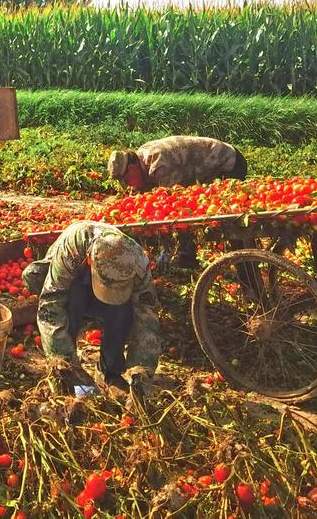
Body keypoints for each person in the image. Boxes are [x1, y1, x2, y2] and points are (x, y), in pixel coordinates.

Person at [22, 220, 159, 392]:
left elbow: (147, 317)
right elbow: (52, 305)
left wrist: (142, 370)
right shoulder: (71, 249)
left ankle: (110, 372)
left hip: (103, 297)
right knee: (73, 297)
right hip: (75, 283)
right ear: (90, 261)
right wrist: (62, 361)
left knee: (124, 309)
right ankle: (68, 369)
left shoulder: (138, 264)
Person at [107, 135, 246, 190]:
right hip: (209, 170)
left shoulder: (159, 163)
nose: (129, 184)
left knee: (230, 215)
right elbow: (139, 191)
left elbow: (172, 198)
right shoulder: (141, 155)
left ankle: (241, 250)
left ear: (132, 167)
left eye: (126, 179)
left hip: (229, 162)